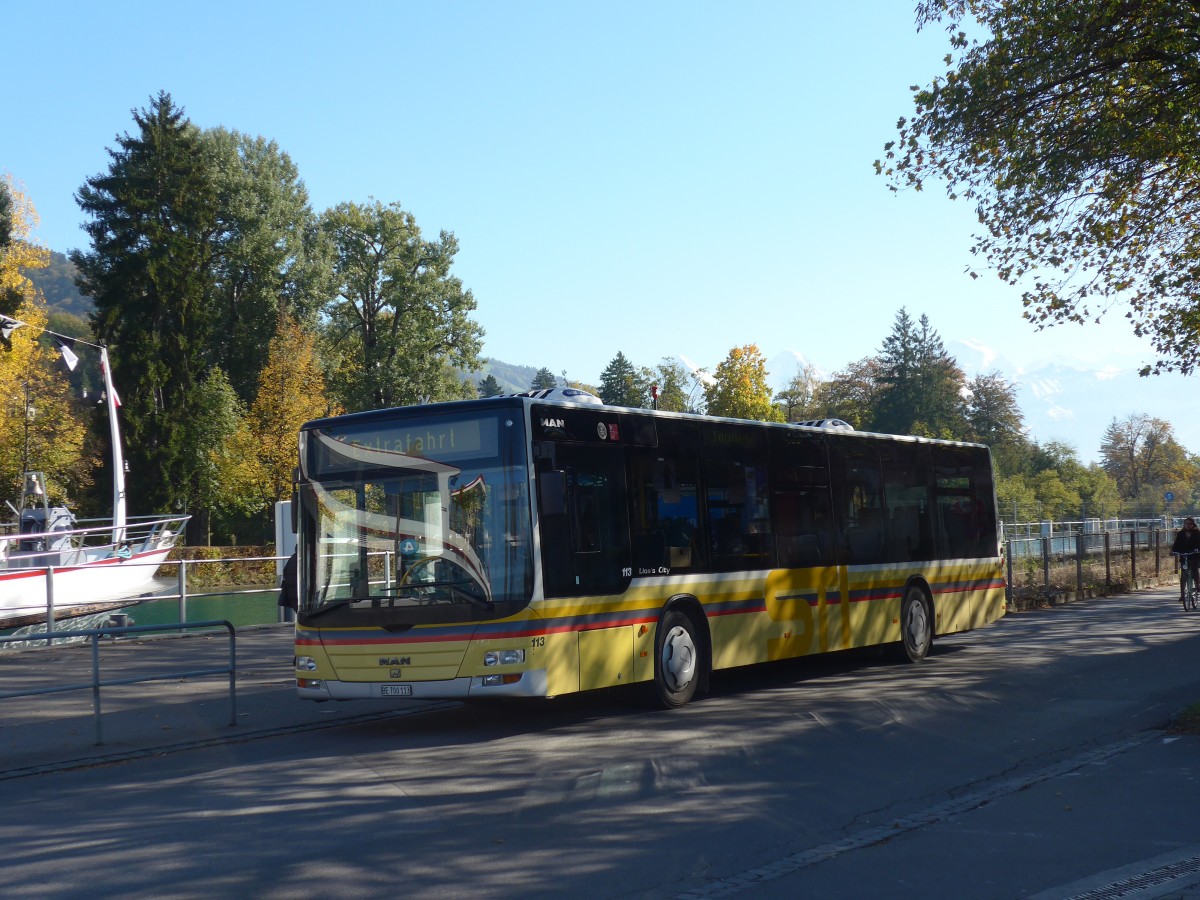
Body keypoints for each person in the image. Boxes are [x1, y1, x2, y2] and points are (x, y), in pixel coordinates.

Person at [1171, 518, 1200, 600]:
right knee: (1183, 573)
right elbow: (1176, 544)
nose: (1188, 525)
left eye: (1190, 523)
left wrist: (1197, 549)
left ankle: (1197, 586)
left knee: (1194, 569)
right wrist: (1173, 551)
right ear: (1184, 524)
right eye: (1186, 523)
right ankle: (1182, 594)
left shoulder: (1197, 533)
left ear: (1193, 524)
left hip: (1194, 555)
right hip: (1184, 555)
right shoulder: (1180, 534)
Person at [278, 550, 298, 623]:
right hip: (297, 594)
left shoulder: (293, 558)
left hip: (291, 593)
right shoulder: (303, 559)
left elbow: (285, 572)